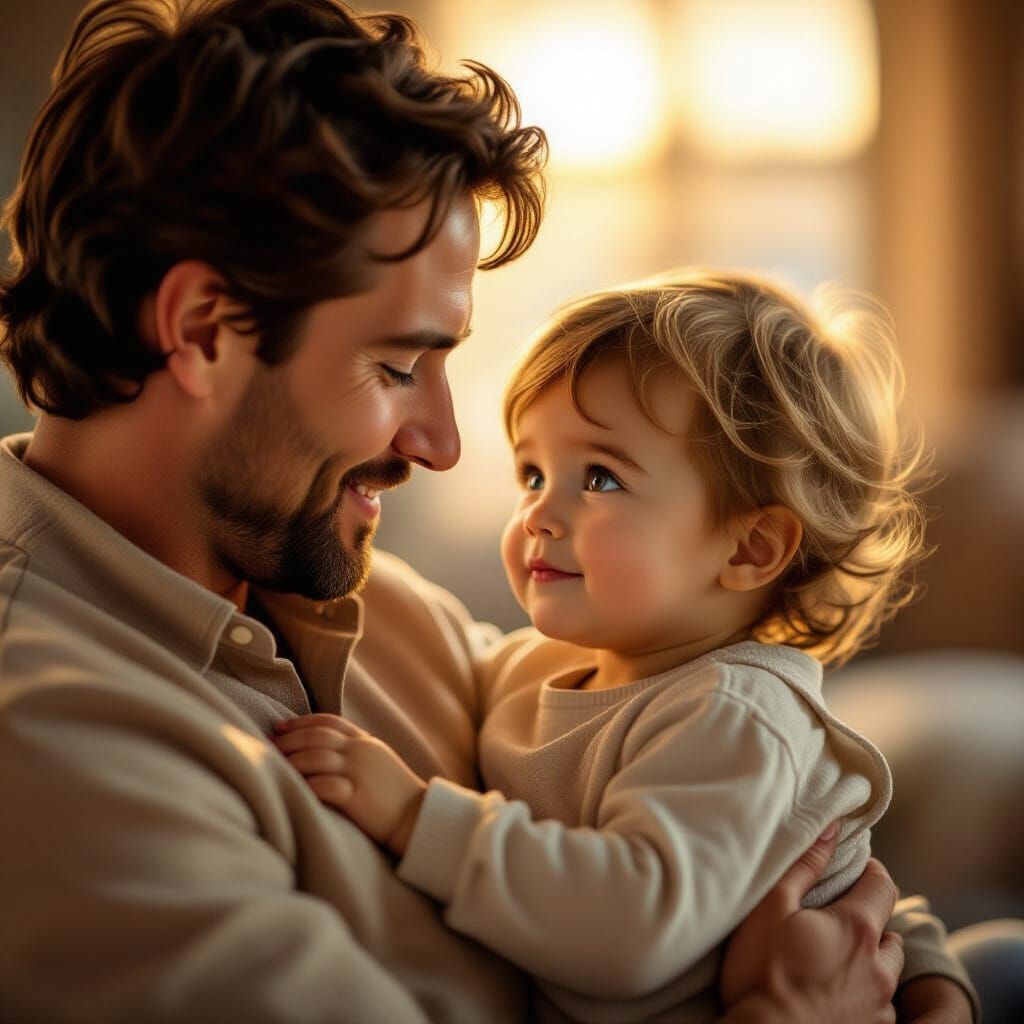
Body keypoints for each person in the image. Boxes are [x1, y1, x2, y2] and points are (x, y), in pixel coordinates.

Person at [0, 1, 975, 1021]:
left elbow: (736, 802)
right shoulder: (55, 750)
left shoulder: (349, 598)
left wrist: (917, 967)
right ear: (203, 329)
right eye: (395, 364)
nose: (442, 444)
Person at [267, 269, 970, 1021]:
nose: (539, 511)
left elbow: (630, 931)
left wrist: (415, 817)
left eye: (599, 478)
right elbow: (427, 644)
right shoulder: (538, 670)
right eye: (532, 473)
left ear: (751, 547)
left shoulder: (735, 713)